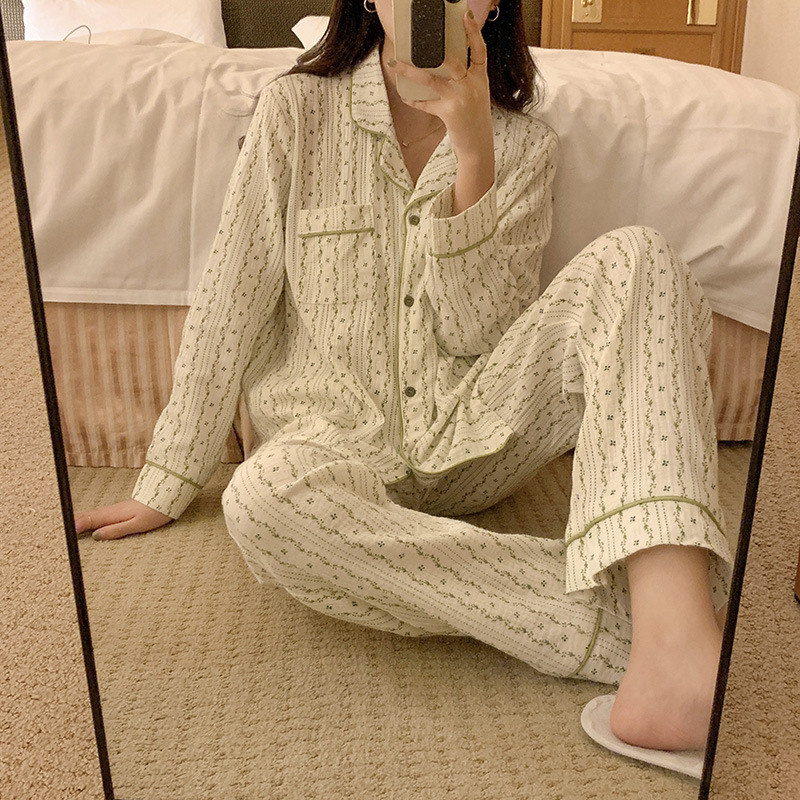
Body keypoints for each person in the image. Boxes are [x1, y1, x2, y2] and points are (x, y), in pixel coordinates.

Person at [75, 0, 732, 754]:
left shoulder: (524, 144)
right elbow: (233, 295)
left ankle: (671, 625)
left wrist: (475, 150)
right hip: (330, 448)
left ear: (492, 5)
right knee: (259, 501)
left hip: (479, 435)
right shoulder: (296, 111)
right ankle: (652, 630)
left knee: (639, 258)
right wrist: (167, 477)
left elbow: (477, 333)